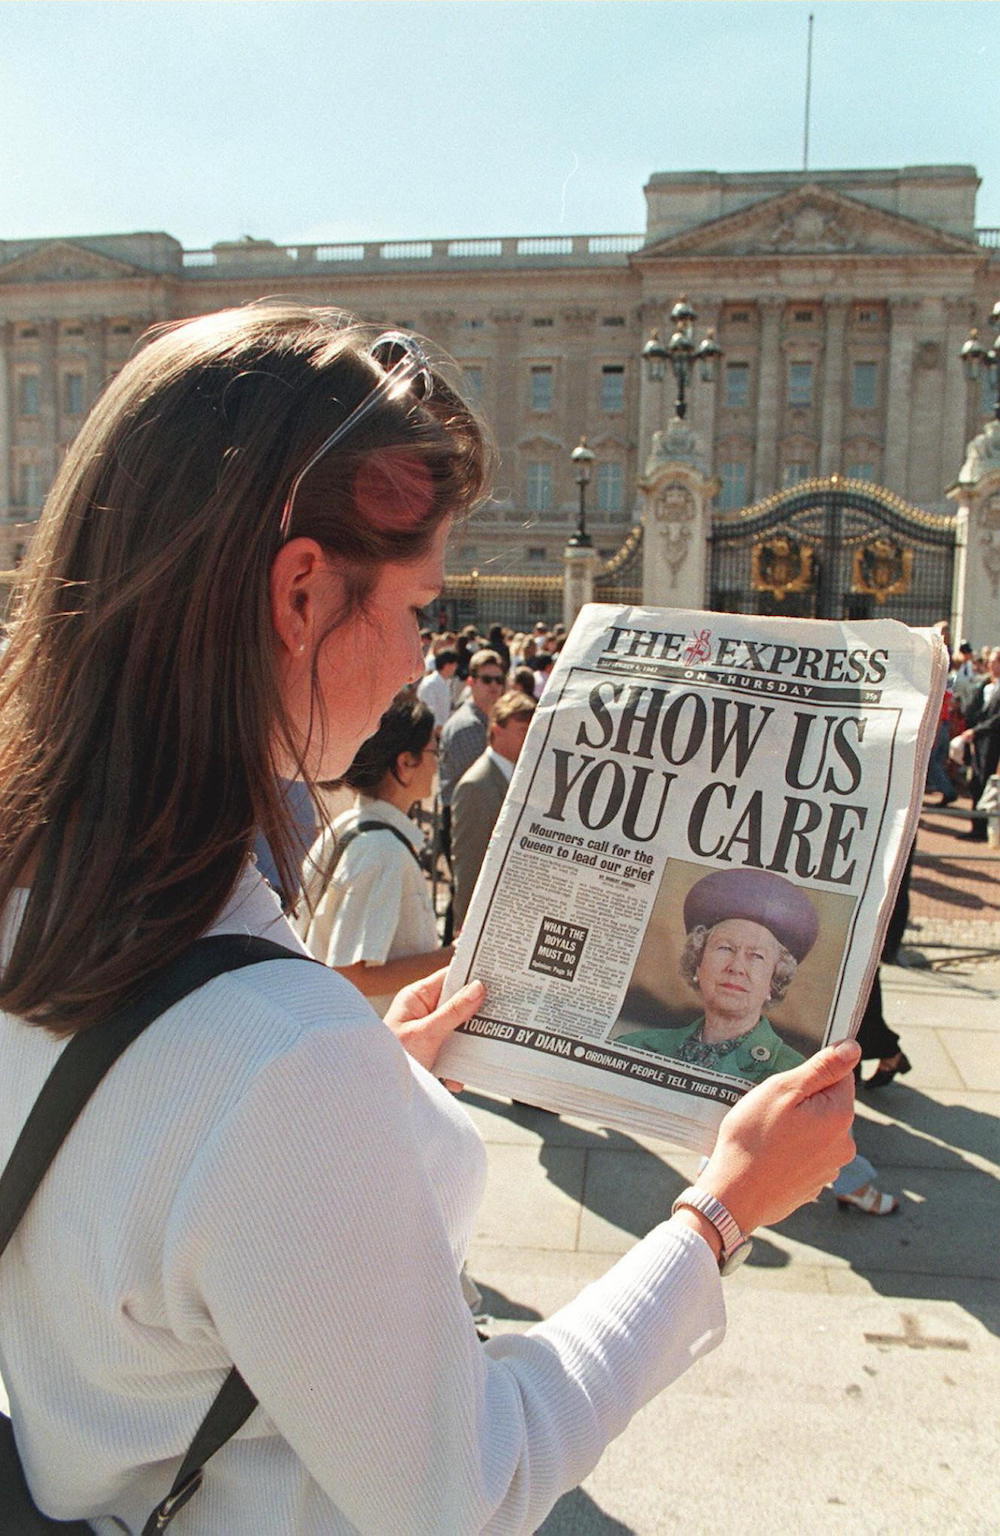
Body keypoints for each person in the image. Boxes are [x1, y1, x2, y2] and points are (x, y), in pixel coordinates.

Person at [0, 303, 858, 1534]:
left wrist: (368, 1078)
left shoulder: (47, 904)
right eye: (415, 606)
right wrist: (722, 1209)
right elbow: (473, 1482)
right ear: (300, 593)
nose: (421, 656)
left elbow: (146, 1180)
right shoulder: (277, 1061)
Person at [297, 693, 451, 1014]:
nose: (437, 765)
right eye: (433, 751)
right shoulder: (383, 852)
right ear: (405, 763)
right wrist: (451, 958)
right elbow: (352, 976)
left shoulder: (348, 826)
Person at [618, 869, 817, 1083]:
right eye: (724, 948)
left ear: (773, 982)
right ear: (697, 966)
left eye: (756, 956)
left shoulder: (794, 1076)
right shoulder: (635, 1046)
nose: (736, 967)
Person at [451, 689, 535, 930]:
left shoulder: (517, 775)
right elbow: (469, 864)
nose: (530, 739)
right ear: (497, 731)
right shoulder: (476, 786)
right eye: (522, 731)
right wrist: (465, 929)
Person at [416, 644, 459, 732]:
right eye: (454, 664)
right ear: (447, 665)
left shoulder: (447, 682)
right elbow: (428, 712)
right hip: (430, 732)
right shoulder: (430, 684)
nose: (456, 667)